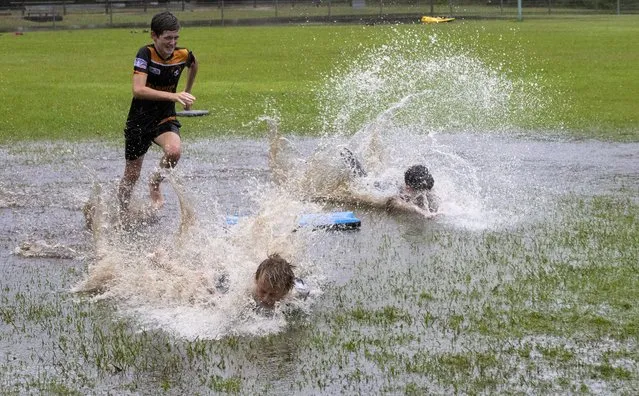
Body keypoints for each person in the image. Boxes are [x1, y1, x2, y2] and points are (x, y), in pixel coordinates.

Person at [117, 11, 199, 217]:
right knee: (132, 174)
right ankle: (121, 211)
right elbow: (138, 90)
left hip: (165, 117)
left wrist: (187, 91)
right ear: (154, 36)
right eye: (167, 38)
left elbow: (194, 64)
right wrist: (174, 96)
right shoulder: (145, 54)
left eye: (175, 38)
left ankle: (154, 185)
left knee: (174, 151)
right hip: (139, 119)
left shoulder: (183, 54)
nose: (172, 42)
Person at [340, 148, 440, 218]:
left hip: (389, 182)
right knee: (362, 179)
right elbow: (393, 203)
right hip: (376, 186)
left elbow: (440, 202)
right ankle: (349, 158)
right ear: (408, 187)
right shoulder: (399, 192)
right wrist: (420, 211)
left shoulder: (426, 184)